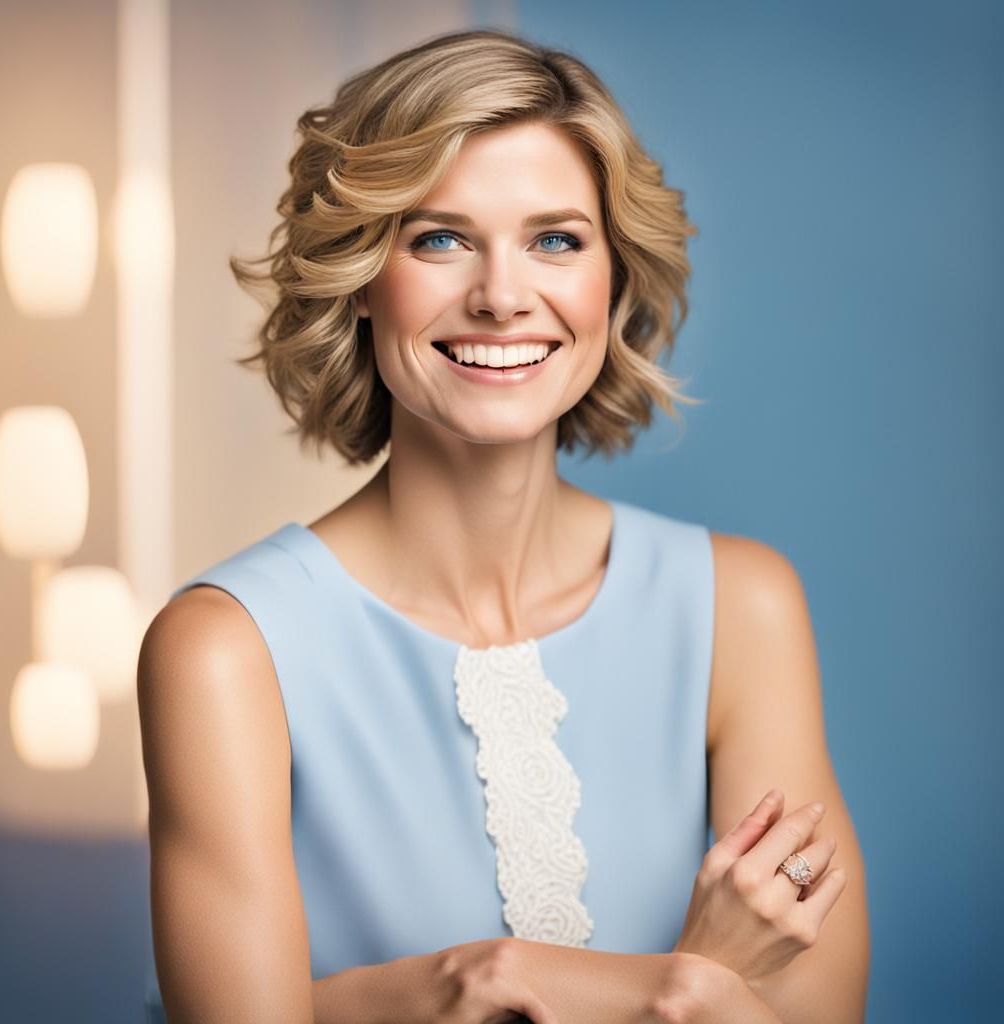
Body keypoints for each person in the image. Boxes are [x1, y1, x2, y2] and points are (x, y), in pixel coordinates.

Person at [137, 27, 870, 1024]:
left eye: (555, 239)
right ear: (359, 278)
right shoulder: (225, 651)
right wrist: (683, 985)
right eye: (438, 236)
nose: (500, 295)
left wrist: (424, 995)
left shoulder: (739, 606)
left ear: (612, 281)